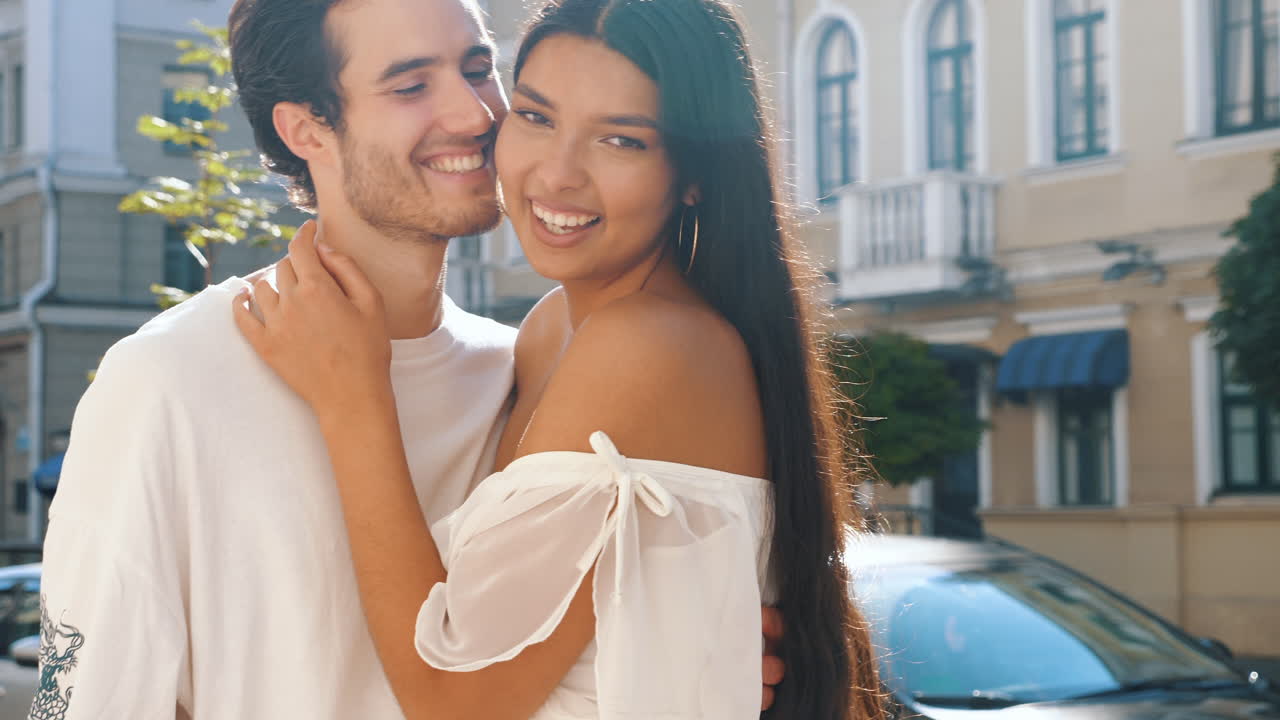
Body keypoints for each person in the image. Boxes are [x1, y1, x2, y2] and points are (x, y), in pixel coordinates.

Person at [31, 0, 786, 718]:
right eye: (411, 85)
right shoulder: (170, 380)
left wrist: (682, 657)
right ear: (306, 129)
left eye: (479, 66)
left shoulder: (522, 369)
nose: (473, 113)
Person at [233, 0, 885, 718]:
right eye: (536, 117)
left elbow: (458, 699)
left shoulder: (650, 342)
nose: (557, 174)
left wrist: (352, 400)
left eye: (622, 141)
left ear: (694, 175)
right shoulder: (549, 332)